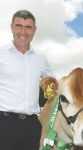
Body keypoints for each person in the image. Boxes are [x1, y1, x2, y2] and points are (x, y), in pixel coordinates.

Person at [0, 10, 57, 150]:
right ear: (11, 27)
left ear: (34, 30)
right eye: (18, 26)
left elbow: (54, 83)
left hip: (32, 125)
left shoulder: (41, 58)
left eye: (28, 27)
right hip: (3, 123)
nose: (23, 32)